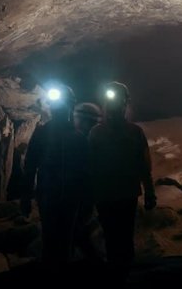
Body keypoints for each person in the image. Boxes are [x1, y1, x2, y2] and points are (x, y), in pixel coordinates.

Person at [88, 81, 157, 277]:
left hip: (118, 193)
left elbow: (144, 165)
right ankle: (120, 275)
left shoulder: (131, 132)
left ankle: (122, 275)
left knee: (121, 238)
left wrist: (150, 192)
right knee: (115, 237)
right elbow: (90, 166)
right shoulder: (99, 133)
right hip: (113, 193)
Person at [21, 84, 88, 263]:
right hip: (52, 195)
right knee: (54, 240)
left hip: (65, 196)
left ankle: (58, 275)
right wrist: (26, 197)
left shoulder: (78, 137)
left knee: (64, 239)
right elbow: (30, 166)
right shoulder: (46, 134)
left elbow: (86, 171)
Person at [72, 102, 105, 262]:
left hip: (86, 192)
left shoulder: (96, 141)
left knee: (82, 226)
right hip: (76, 191)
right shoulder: (71, 139)